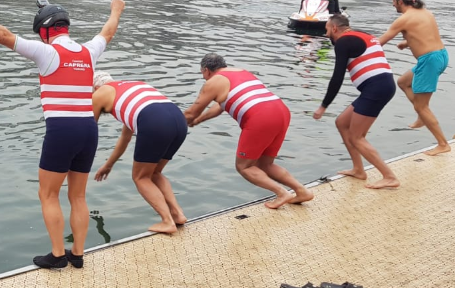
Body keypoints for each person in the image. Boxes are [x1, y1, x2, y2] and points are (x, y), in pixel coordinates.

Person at [0, 0, 125, 269]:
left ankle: (57, 255)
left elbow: (4, 36)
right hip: (89, 128)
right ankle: (77, 253)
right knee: (78, 196)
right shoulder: (88, 52)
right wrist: (116, 9)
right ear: (65, 26)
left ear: (44, 31)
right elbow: (108, 31)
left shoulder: (48, 52)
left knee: (48, 194)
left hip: (62, 130)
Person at [184, 53, 313, 210]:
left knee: (244, 167)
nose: (203, 77)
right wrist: (198, 121)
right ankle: (301, 191)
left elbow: (191, 113)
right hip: (280, 111)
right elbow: (220, 105)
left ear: (206, 70)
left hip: (260, 117)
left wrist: (176, 125)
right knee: (265, 164)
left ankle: (282, 193)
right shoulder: (240, 72)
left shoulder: (213, 82)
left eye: (202, 73)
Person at [91, 71, 187, 234]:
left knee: (140, 177)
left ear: (95, 87)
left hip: (154, 121)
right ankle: (178, 214)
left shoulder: (99, 93)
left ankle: (167, 221)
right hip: (178, 120)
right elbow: (125, 138)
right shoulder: (131, 88)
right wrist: (108, 165)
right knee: (155, 173)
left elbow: (89, 130)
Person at [313, 14, 399, 189]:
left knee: (357, 137)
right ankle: (359, 169)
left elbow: (337, 77)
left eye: (327, 29)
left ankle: (389, 177)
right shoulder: (362, 35)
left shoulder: (343, 42)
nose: (326, 33)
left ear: (335, 28)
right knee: (342, 123)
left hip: (376, 88)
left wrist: (323, 106)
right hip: (381, 85)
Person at [379, 0, 450, 156]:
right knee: (403, 82)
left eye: (393, 2)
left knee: (422, 106)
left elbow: (380, 42)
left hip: (429, 61)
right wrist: (407, 42)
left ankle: (442, 143)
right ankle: (421, 116)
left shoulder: (403, 19)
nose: (393, 5)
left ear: (400, 1)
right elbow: (425, 34)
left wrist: (357, 50)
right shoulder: (425, 11)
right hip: (441, 55)